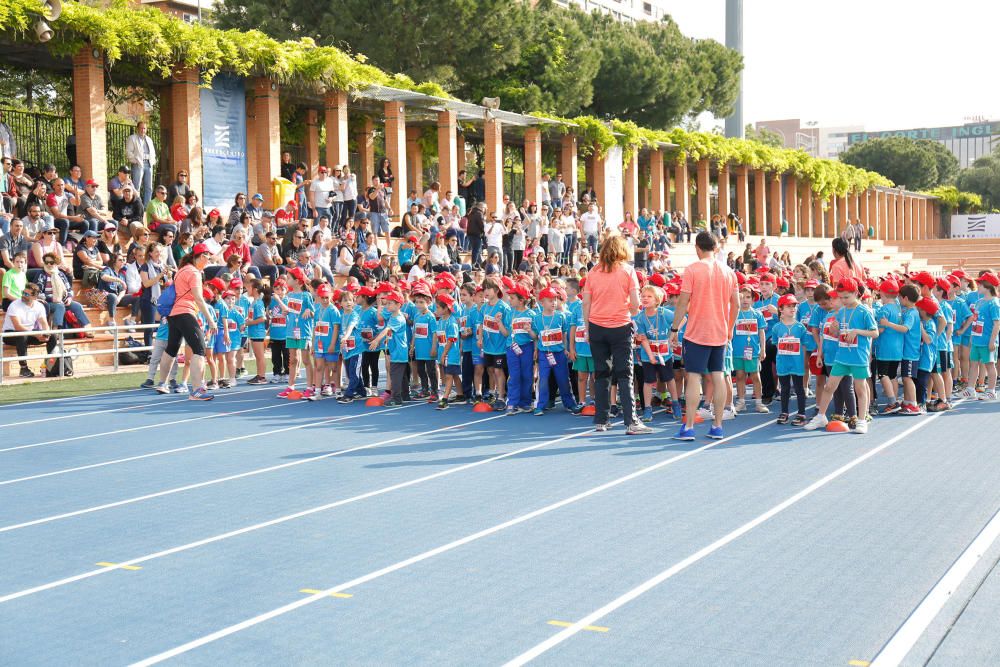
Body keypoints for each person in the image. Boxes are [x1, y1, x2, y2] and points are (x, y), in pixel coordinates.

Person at [669, 232, 739, 441]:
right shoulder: (729, 271)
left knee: (694, 377)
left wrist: (674, 329)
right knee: (718, 376)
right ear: (716, 248)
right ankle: (717, 426)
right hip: (719, 331)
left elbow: (683, 302)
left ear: (697, 248)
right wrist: (729, 328)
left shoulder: (693, 269)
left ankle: (689, 426)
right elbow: (734, 304)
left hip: (697, 332)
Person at [582, 235, 650, 434]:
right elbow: (636, 305)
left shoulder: (593, 272)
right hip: (620, 326)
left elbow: (586, 303)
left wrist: (587, 328)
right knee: (624, 374)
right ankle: (631, 421)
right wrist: (626, 308)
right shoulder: (628, 271)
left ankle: (601, 420)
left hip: (597, 326)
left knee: (601, 373)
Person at [804, 277, 878, 433]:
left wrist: (857, 331)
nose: (843, 300)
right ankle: (821, 416)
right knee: (829, 386)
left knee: (860, 389)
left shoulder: (864, 311)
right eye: (840, 297)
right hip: (842, 355)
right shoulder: (841, 311)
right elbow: (834, 332)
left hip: (858, 356)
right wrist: (834, 328)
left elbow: (875, 332)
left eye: (846, 297)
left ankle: (861, 420)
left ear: (855, 293)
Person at [2, 283, 56, 378]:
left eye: (27, 294)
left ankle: (50, 366)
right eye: (23, 293)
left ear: (34, 297)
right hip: (10, 334)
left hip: (30, 333)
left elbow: (44, 324)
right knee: (22, 335)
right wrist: (36, 335)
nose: (23, 295)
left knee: (53, 336)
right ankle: (24, 369)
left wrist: (46, 333)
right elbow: (18, 327)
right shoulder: (14, 305)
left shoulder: (39, 306)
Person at [770, 294, 809, 425]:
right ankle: (784, 412)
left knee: (799, 388)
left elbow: (804, 346)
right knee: (785, 388)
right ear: (780, 309)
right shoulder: (776, 328)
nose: (792, 309)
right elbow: (776, 344)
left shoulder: (800, 327)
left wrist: (803, 362)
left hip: (797, 362)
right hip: (783, 362)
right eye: (788, 306)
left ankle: (801, 413)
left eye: (794, 306)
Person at [126, 121, 156, 206]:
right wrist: (136, 161)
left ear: (146, 129)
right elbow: (129, 152)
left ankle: (147, 206)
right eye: (141, 128)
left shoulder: (149, 139)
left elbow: (153, 152)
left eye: (144, 128)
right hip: (138, 164)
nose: (143, 130)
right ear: (137, 128)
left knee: (149, 187)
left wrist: (153, 161)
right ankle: (136, 205)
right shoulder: (132, 138)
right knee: (136, 186)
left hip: (149, 164)